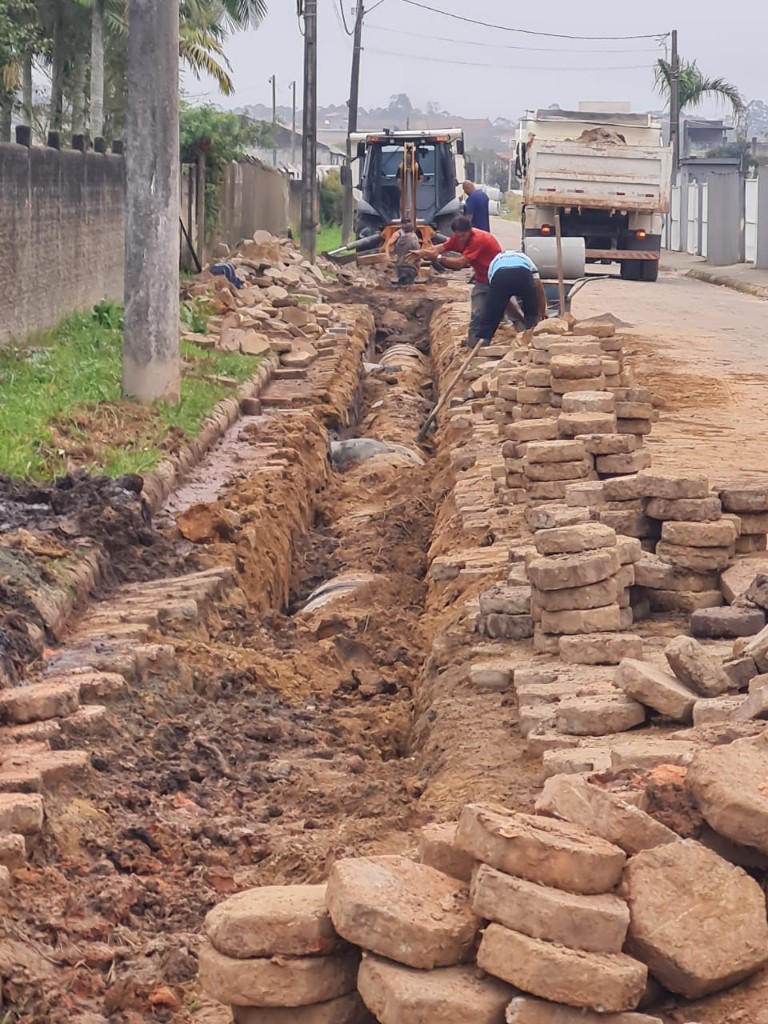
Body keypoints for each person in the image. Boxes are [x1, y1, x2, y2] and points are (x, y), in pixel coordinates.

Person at [418, 214, 502, 344]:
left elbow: (460, 263)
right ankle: (473, 344)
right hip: (481, 278)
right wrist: (422, 253)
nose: (461, 239)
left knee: (505, 311)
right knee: (477, 312)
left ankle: (517, 337)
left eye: (464, 236)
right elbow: (441, 247)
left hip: (497, 278)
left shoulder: (478, 239)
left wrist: (438, 258)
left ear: (470, 231)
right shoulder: (457, 238)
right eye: (458, 236)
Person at [473, 249, 547, 344]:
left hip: (500, 275)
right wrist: (541, 312)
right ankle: (532, 339)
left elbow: (504, 302)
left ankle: (483, 342)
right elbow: (538, 288)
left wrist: (520, 318)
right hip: (522, 274)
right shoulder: (525, 258)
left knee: (491, 315)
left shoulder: (495, 261)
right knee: (531, 308)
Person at [386, 221, 421, 285]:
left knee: (401, 286)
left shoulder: (398, 241)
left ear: (404, 231)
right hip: (410, 268)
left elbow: (395, 252)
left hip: (399, 268)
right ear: (412, 231)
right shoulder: (414, 242)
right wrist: (418, 271)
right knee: (409, 289)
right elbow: (418, 257)